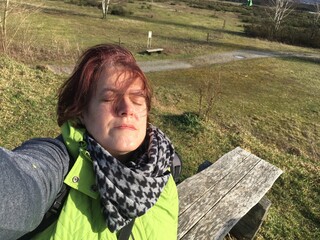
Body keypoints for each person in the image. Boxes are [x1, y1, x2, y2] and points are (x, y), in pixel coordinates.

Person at [0, 44, 179, 240]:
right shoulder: (58, 168)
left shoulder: (162, 170)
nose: (127, 108)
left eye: (137, 100)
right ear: (82, 112)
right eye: (109, 99)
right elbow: (20, 184)